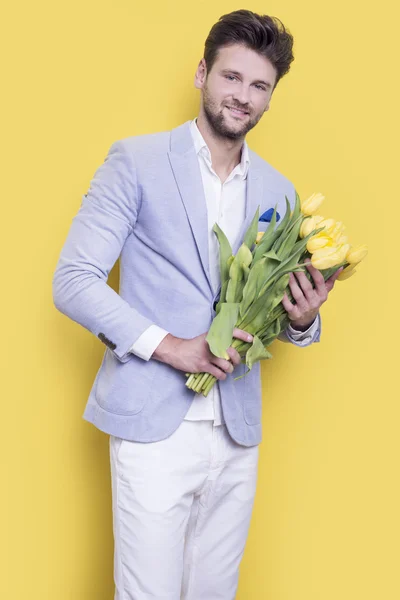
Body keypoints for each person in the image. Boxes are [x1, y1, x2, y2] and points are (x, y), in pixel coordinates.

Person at [52, 9, 342, 599]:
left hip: (235, 432)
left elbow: (269, 316)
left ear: (269, 98)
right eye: (231, 78)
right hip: (152, 425)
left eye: (259, 86)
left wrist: (304, 320)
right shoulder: (134, 162)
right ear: (201, 73)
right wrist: (170, 346)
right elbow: (74, 280)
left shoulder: (279, 191)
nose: (242, 96)